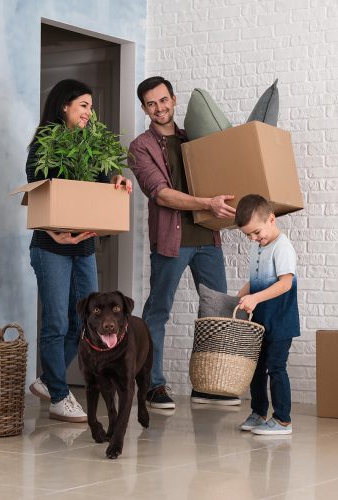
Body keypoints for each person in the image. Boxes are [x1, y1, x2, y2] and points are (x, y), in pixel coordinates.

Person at [128, 76, 240, 409]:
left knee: (217, 311)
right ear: (145, 108)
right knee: (158, 311)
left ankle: (208, 385)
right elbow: (161, 194)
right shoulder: (140, 148)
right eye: (151, 103)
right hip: (171, 241)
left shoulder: (195, 137)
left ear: (173, 100)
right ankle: (153, 385)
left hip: (208, 237)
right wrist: (207, 203)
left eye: (163, 100)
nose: (159, 108)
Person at [27, 79, 132, 423]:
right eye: (83, 105)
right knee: (56, 321)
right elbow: (39, 194)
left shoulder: (93, 146)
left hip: (84, 245)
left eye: (90, 106)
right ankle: (59, 395)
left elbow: (105, 184)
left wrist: (119, 179)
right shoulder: (44, 147)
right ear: (64, 107)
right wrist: (54, 233)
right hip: (50, 247)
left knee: (85, 320)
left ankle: (47, 379)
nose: (90, 112)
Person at [235, 194, 300, 435]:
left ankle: (283, 419)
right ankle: (258, 412)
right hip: (260, 321)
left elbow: (285, 284)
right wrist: (239, 297)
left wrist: (255, 298)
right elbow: (255, 282)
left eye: (256, 232)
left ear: (271, 219)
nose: (253, 238)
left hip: (281, 320)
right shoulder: (258, 247)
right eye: (248, 235)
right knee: (256, 366)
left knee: (276, 367)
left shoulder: (282, 246)